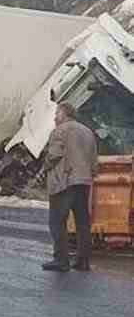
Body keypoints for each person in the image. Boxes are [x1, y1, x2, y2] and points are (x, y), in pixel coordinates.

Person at [42, 103, 98, 273]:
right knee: (83, 223)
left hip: (64, 182)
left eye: (57, 113)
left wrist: (45, 165)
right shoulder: (88, 132)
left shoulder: (59, 131)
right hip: (84, 182)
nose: (54, 117)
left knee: (57, 222)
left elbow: (55, 154)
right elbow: (94, 161)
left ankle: (61, 260)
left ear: (65, 114)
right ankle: (83, 261)